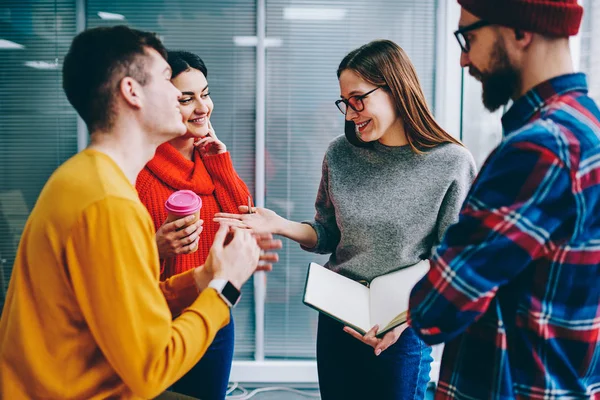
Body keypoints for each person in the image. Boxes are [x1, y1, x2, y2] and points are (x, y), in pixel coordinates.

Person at [0, 25, 276, 399]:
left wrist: (205, 275)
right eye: (167, 80)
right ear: (132, 93)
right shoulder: (109, 203)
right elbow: (152, 367)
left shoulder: (87, 179)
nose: (188, 101)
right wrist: (224, 287)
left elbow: (124, 310)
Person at [215, 39, 477, 399]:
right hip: (338, 315)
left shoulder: (451, 162)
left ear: (395, 88)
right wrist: (278, 224)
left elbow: (450, 260)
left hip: (400, 326)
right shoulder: (340, 153)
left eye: (359, 100)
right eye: (345, 103)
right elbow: (327, 234)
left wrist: (405, 319)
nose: (351, 114)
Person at [408, 1, 600, 399]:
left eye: (468, 37)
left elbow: (433, 311)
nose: (463, 59)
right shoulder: (588, 125)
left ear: (519, 31)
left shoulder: (541, 149)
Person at [135, 50, 273, 399]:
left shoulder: (210, 159)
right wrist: (157, 246)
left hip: (216, 314)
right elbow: (119, 270)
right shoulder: (140, 175)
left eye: (205, 94)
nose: (203, 108)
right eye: (187, 99)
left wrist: (220, 161)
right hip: (163, 321)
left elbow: (244, 220)